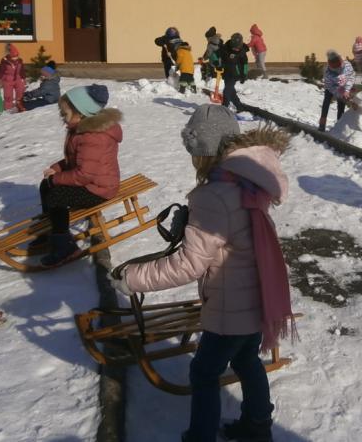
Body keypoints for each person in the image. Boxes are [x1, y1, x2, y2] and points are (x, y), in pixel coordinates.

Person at [109, 104, 296, 442]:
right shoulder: (247, 182)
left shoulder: (214, 196)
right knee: (247, 360)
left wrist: (132, 277)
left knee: (204, 372)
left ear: (203, 151)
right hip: (257, 296)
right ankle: (257, 427)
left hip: (229, 307)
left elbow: (189, 264)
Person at [39, 85, 122, 267]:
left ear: (81, 113)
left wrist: (57, 178)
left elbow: (84, 175)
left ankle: (65, 247)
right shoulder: (81, 130)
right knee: (46, 185)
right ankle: (51, 228)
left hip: (99, 189)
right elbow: (76, 160)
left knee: (56, 196)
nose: (62, 117)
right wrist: (56, 169)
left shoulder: (93, 137)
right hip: (92, 182)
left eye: (65, 113)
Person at [319, 50, 355, 132]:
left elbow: (351, 78)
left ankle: (339, 124)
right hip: (332, 87)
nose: (338, 70)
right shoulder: (327, 73)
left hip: (343, 85)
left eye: (339, 67)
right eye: (335, 69)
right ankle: (322, 123)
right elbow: (330, 87)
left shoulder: (347, 66)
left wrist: (347, 90)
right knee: (326, 101)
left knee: (341, 105)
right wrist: (340, 93)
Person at [219, 33, 249, 111]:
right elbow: (221, 59)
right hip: (226, 73)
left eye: (238, 48)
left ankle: (224, 108)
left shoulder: (242, 52)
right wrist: (219, 65)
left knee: (227, 91)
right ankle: (239, 107)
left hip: (235, 74)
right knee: (231, 91)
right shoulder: (225, 49)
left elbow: (245, 64)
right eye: (235, 48)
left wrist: (244, 75)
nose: (236, 49)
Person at [0, 43, 26, 111]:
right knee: (8, 95)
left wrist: (24, 78)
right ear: (10, 56)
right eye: (14, 56)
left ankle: (20, 105)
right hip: (7, 79)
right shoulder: (4, 61)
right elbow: (1, 70)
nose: (16, 58)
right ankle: (8, 108)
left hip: (18, 78)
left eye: (17, 56)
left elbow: (22, 70)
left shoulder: (20, 60)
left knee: (20, 92)